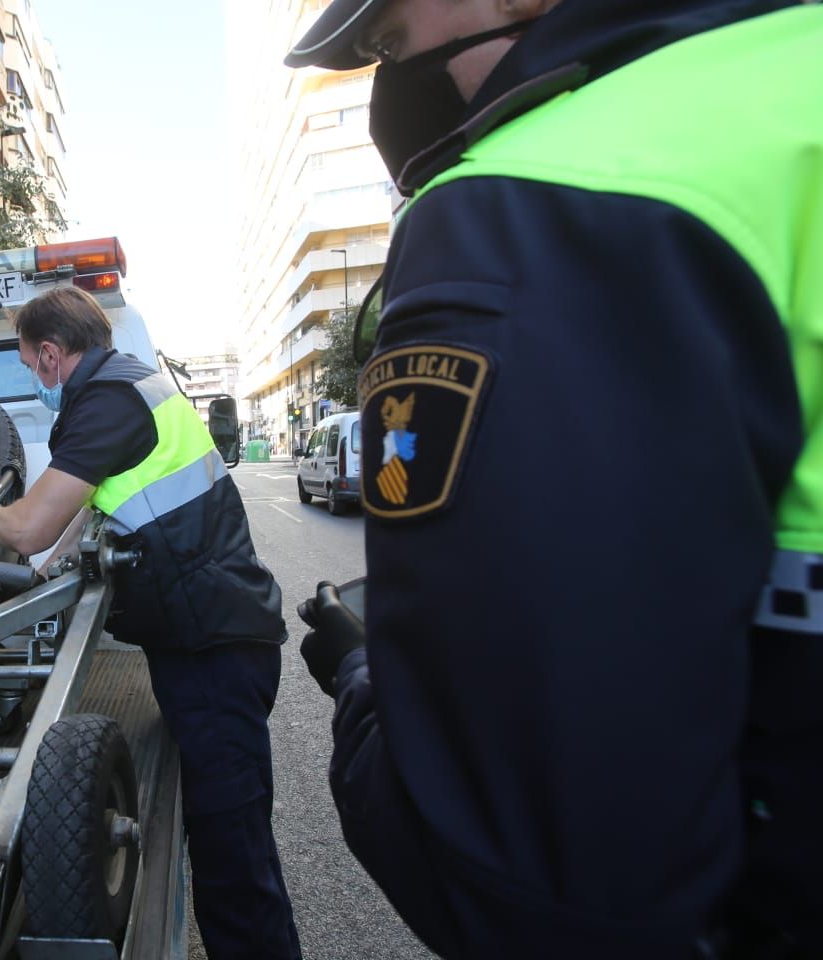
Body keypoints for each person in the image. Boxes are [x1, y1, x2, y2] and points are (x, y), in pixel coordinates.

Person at [285, 0, 822, 957]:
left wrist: (369, 685)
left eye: (387, 38)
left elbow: (532, 880)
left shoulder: (536, 190)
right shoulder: (784, 79)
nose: (387, 78)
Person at [0, 286, 301, 960]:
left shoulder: (106, 400)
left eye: (29, 365)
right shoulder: (131, 383)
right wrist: (52, 562)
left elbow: (25, 528)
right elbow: (88, 505)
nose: (33, 377)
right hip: (203, 635)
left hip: (214, 649)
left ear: (52, 353)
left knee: (236, 863)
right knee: (224, 844)